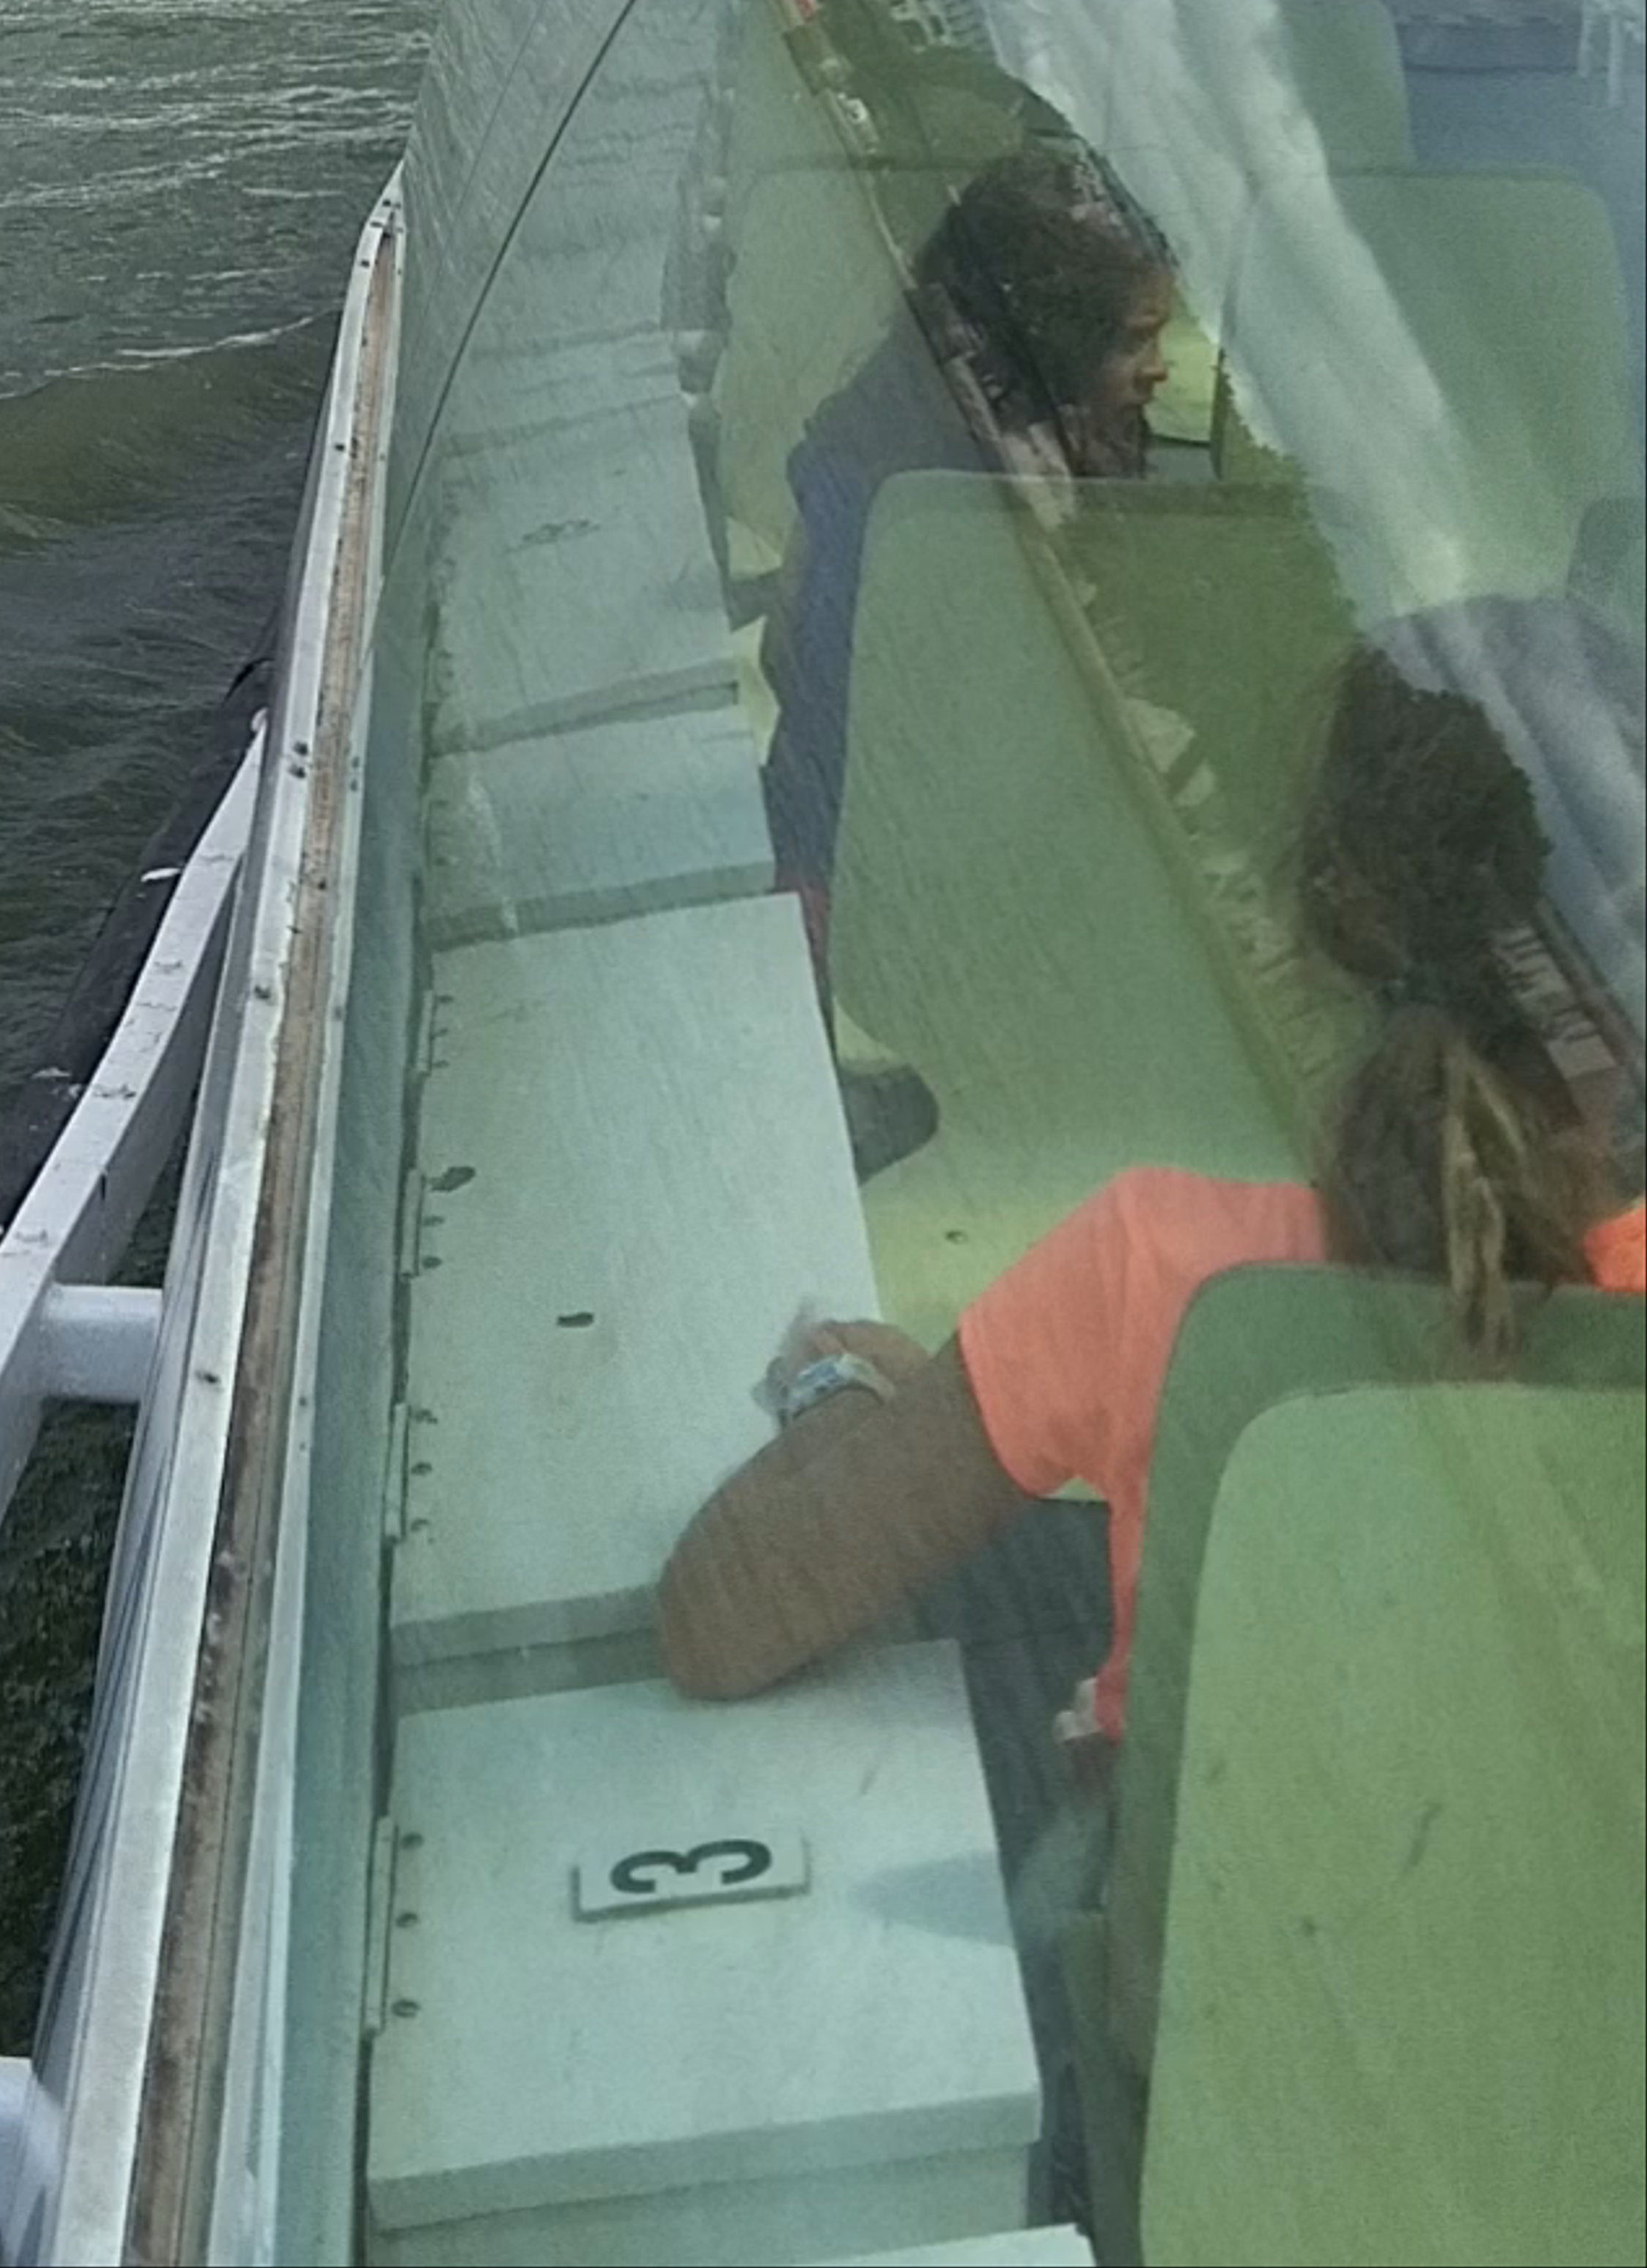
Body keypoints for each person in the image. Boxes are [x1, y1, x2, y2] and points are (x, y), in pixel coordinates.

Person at [659, 646, 1645, 1734]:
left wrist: (843, 1394)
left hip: (1225, 1902)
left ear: (1336, 918)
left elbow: (721, 1619)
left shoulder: (1163, 1274)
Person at [759, 144, 1176, 971]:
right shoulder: (920, 502)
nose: (1159, 371)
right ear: (1059, 334)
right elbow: (828, 696)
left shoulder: (1005, 427)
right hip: (871, 877)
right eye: (1135, 341)